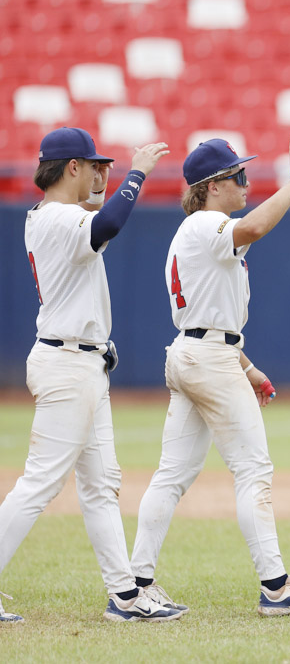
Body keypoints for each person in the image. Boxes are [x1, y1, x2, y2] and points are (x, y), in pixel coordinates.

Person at [128, 135, 290, 617]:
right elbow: (257, 227)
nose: (246, 183)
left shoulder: (194, 231)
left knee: (172, 475)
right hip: (206, 358)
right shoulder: (206, 223)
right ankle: (277, 587)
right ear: (212, 186)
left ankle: (137, 583)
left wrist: (247, 365)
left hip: (195, 352)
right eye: (238, 176)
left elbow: (210, 319)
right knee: (254, 471)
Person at [0, 128, 180, 623]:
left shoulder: (52, 215)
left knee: (102, 485)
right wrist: (136, 172)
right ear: (72, 168)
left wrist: (107, 183)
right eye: (92, 165)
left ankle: (123, 595)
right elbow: (109, 226)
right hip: (68, 364)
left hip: (82, 359)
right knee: (38, 484)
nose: (100, 173)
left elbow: (99, 215)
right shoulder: (59, 218)